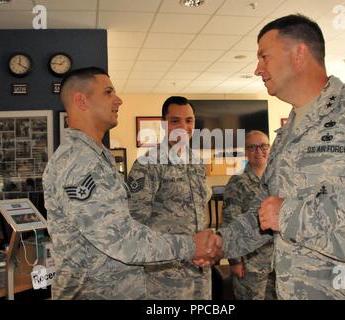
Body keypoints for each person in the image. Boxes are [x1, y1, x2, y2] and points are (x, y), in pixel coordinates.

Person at [209, 14, 345, 299]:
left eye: (264, 57)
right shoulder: (286, 134)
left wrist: (288, 214)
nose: (257, 69)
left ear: (299, 54)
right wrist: (220, 242)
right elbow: (264, 211)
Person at [42, 68, 222, 300]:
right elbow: (121, 238)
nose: (119, 100)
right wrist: (191, 246)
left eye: (189, 120)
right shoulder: (79, 162)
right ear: (81, 100)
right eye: (108, 92)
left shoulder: (99, 158)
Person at [127, 96, 212, 300]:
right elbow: (135, 223)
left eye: (189, 120)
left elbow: (202, 211)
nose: (183, 126)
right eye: (175, 121)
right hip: (166, 274)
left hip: (200, 269)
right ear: (164, 124)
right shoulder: (148, 164)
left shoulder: (197, 163)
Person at [222, 130, 276, 300]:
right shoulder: (238, 182)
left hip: (278, 261)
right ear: (246, 152)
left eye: (263, 146)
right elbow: (229, 223)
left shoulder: (277, 178)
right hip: (250, 264)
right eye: (252, 147)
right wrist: (235, 261)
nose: (258, 151)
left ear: (270, 148)